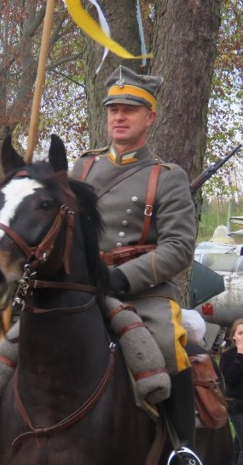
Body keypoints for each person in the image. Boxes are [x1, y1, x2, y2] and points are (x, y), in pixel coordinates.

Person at [71, 66, 197, 458]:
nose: (119, 117)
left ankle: (182, 448)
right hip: (82, 287)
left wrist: (123, 278)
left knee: (167, 345)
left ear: (150, 117)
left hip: (142, 292)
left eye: (130, 109)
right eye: (113, 109)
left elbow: (179, 246)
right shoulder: (83, 168)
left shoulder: (167, 176)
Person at [220, 318, 243, 465]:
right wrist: (240, 355)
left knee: (239, 444)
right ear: (233, 336)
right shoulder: (227, 356)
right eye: (241, 333)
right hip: (237, 405)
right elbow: (230, 379)